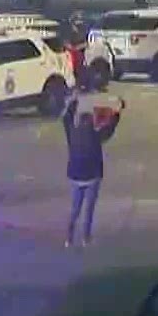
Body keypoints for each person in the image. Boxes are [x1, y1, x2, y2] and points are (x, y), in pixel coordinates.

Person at [62, 93, 122, 247]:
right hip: (92, 176)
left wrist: (73, 102)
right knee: (89, 210)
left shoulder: (72, 134)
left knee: (75, 209)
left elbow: (66, 119)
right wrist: (118, 112)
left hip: (75, 176)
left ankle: (69, 238)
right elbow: (110, 128)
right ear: (91, 123)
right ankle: (85, 238)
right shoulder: (96, 136)